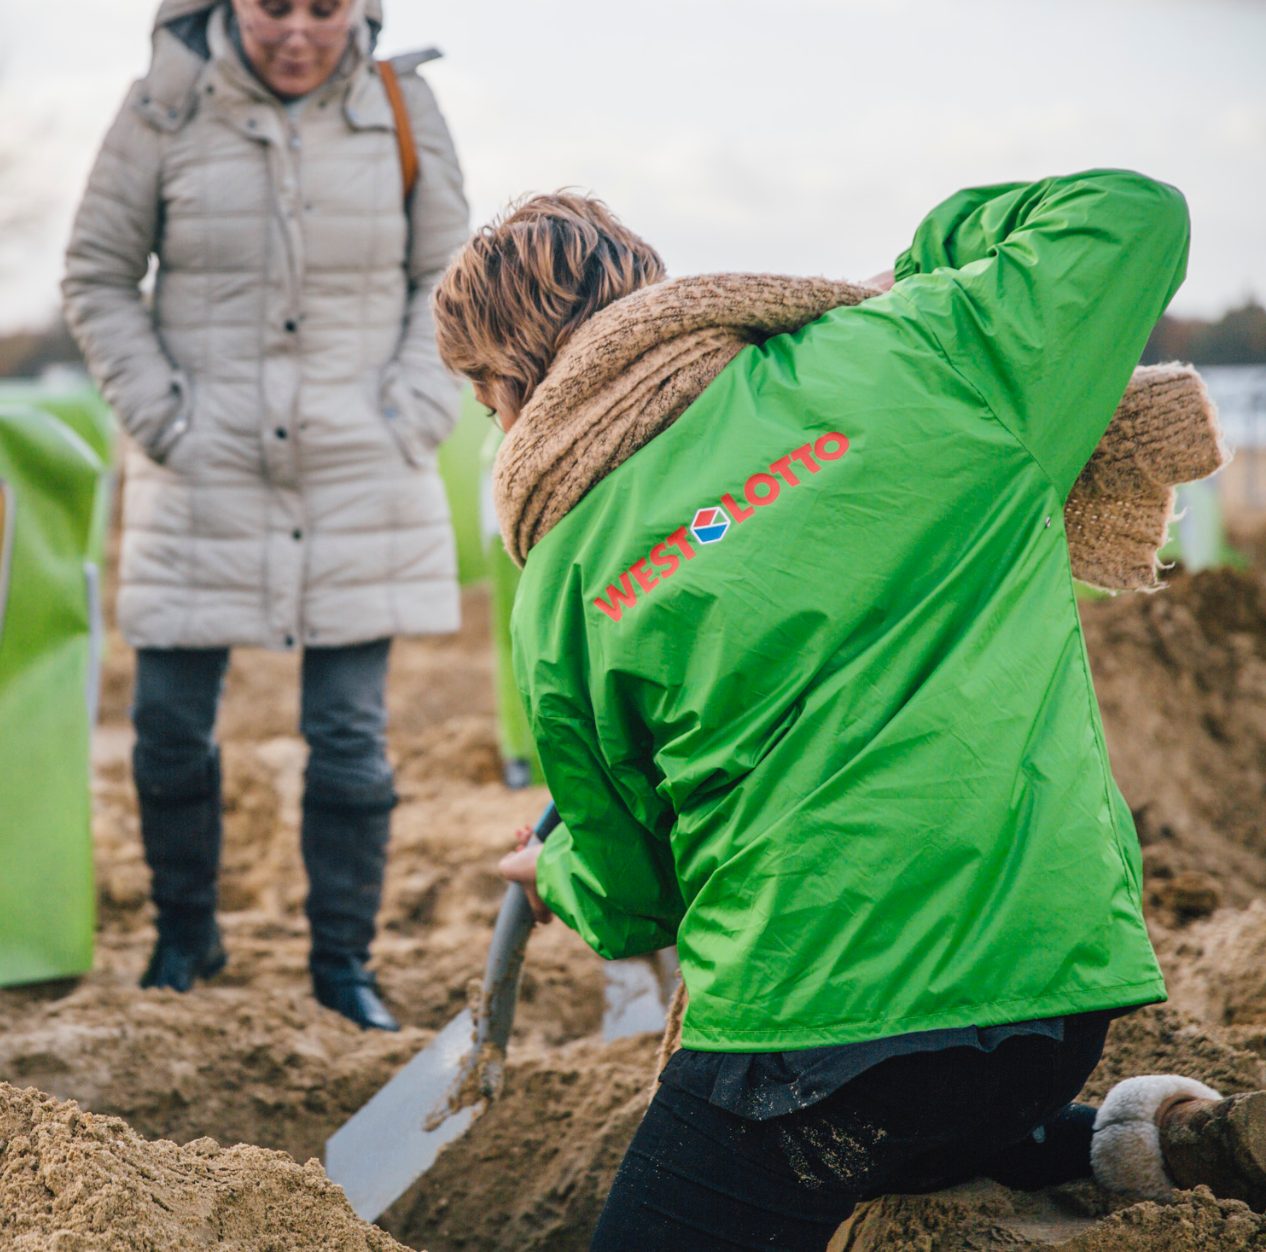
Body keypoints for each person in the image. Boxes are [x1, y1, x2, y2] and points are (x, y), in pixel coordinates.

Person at [432, 179, 1262, 1247]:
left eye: (485, 401)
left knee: (807, 1141)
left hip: (819, 1047)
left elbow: (636, 898)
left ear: (508, 385)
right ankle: (1147, 1140)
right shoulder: (912, 347)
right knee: (925, 1114)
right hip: (1061, 999)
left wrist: (549, 876)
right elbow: (1136, 214)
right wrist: (909, 275)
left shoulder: (562, 574)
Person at [63, 0, 469, 1031]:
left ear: (362, 11)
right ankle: (183, 936)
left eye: (323, 9)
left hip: (357, 466)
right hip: (200, 464)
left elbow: (447, 280)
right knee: (165, 725)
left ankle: (344, 966)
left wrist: (411, 409)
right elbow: (100, 274)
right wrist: (162, 415)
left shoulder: (404, 105)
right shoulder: (161, 110)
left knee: (348, 733)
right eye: (271, 7)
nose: (297, 32)